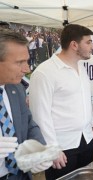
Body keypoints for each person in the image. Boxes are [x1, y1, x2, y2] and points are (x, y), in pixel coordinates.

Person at [29, 24, 93, 180]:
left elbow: (86, 99)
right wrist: (52, 149)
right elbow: (40, 116)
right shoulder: (44, 72)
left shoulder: (81, 68)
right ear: (74, 45)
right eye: (88, 42)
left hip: (86, 139)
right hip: (62, 147)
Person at [0, 29, 52, 179]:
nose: (27, 69)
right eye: (19, 62)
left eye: (27, 61)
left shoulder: (16, 87)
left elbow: (28, 123)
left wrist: (39, 149)